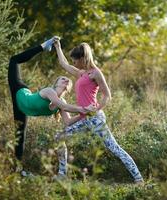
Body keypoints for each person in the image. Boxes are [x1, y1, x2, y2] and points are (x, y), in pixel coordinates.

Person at [53, 40, 144, 183]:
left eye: (75, 61)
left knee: (114, 148)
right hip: (84, 119)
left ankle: (139, 179)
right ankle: (62, 174)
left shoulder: (95, 73)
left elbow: (107, 95)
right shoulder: (81, 73)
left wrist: (97, 108)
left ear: (83, 59)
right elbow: (64, 64)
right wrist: (58, 46)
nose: (74, 63)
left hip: (95, 119)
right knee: (59, 137)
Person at [8, 37, 96, 176]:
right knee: (14, 60)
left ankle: (18, 171)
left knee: (20, 136)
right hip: (20, 92)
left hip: (23, 109)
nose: (66, 79)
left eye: (67, 80)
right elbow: (62, 105)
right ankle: (44, 46)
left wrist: (83, 115)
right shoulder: (50, 91)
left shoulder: (63, 102)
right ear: (56, 83)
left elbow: (67, 121)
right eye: (62, 78)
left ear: (68, 89)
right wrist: (83, 109)